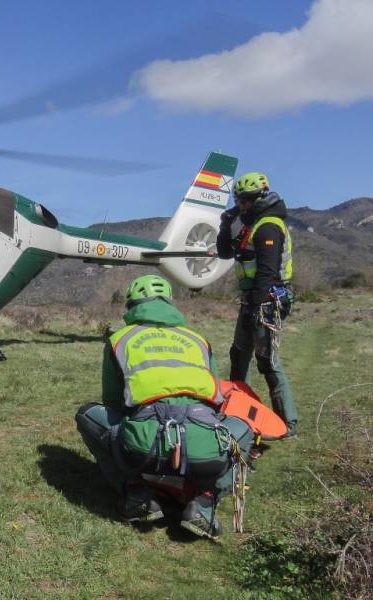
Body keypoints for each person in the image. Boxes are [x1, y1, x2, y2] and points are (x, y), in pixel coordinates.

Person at [75, 275, 254, 540]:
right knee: (246, 430)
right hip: (205, 450)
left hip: (144, 448)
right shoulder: (199, 341)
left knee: (87, 415)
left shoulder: (119, 340)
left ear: (131, 305)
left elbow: (112, 402)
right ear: (170, 304)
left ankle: (136, 492)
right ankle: (205, 501)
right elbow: (217, 399)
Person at [216, 172, 298, 438]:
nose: (242, 205)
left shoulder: (268, 226)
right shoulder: (244, 222)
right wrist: (225, 224)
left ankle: (288, 423)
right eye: (239, 200)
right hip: (250, 299)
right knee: (238, 355)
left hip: (268, 300)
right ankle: (238, 414)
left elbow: (266, 270)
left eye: (247, 200)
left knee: (266, 361)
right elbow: (226, 253)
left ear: (260, 197)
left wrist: (255, 306)